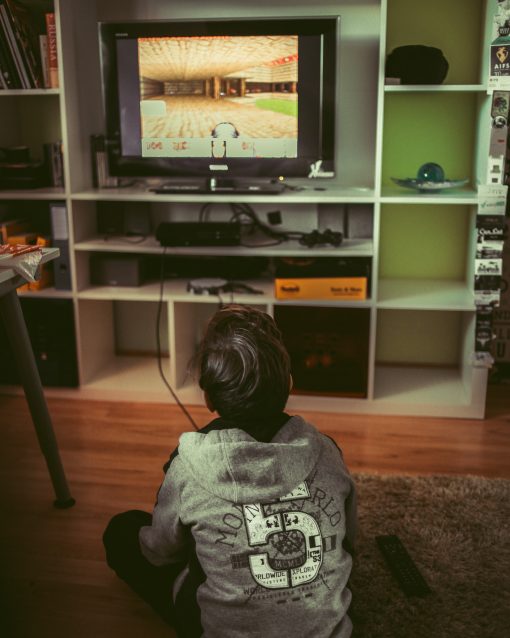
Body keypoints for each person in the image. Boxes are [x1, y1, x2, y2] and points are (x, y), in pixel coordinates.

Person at [103, 304, 357, 637]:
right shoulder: (326, 451)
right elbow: (349, 539)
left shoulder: (189, 464)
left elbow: (161, 552)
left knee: (123, 530)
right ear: (290, 382)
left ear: (208, 397)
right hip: (329, 632)